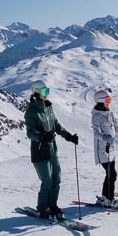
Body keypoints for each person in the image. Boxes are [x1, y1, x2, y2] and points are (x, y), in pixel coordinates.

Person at [23, 83, 78, 220]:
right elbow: (30, 133)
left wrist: (69, 136)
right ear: (36, 93)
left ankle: (53, 205)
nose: (46, 93)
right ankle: (43, 208)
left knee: (56, 179)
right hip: (40, 152)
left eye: (47, 90)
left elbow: (56, 125)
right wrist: (41, 137)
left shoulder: (48, 107)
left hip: (52, 150)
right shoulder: (31, 111)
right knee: (46, 181)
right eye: (44, 91)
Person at [90, 89, 118, 205]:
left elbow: (117, 128)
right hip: (102, 151)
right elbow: (96, 133)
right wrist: (106, 137)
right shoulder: (96, 115)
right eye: (107, 100)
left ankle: (105, 198)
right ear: (101, 101)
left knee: (110, 174)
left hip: (111, 150)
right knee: (112, 174)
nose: (109, 102)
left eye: (110, 99)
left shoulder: (109, 113)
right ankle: (110, 199)